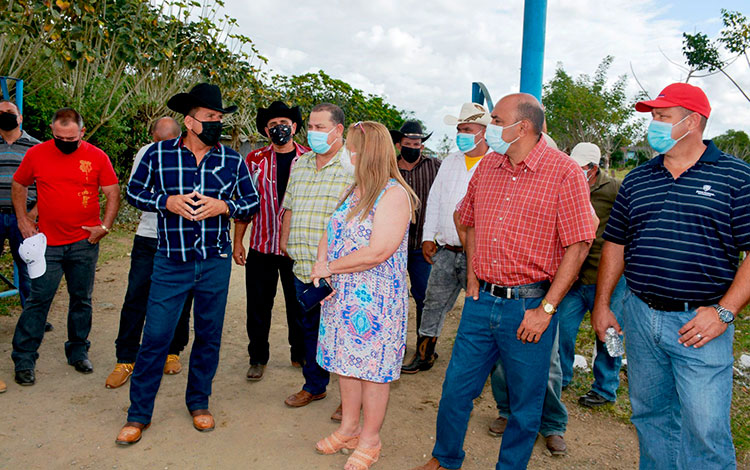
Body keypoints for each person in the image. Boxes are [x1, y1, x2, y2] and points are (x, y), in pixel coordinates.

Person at [412, 93, 595, 470]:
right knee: (456, 390)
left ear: (522, 127)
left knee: (526, 406)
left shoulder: (564, 172)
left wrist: (546, 309)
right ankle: (444, 458)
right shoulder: (489, 167)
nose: (490, 128)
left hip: (529, 307)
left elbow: (579, 245)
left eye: (496, 120)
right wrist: (475, 271)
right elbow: (466, 219)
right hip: (482, 304)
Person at [592, 82, 750, 469]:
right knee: (651, 418)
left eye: (662, 117)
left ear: (692, 121)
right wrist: (603, 305)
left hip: (700, 322)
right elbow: (616, 244)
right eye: (652, 118)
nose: (653, 126)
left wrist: (724, 311)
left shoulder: (736, 177)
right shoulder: (638, 179)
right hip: (640, 316)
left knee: (705, 430)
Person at [116, 83, 259, 445]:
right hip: (170, 260)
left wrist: (224, 207)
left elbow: (252, 202)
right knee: (156, 337)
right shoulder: (158, 154)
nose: (216, 123)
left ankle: (199, 403)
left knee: (208, 336)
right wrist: (167, 201)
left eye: (218, 118)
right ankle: (138, 414)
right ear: (190, 120)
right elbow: (133, 192)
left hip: (215, 261)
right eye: (210, 117)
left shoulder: (231, 159)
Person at [311, 120, 418, 470]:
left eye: (350, 146)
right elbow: (333, 228)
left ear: (364, 152)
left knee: (372, 371)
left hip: (376, 301)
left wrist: (331, 268)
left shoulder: (394, 195)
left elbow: (379, 251)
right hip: (342, 295)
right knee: (346, 366)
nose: (345, 153)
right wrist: (320, 263)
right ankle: (349, 429)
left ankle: (371, 439)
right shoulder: (353, 189)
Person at [11, 107, 120, 386]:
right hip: (48, 243)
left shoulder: (97, 157)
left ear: (82, 132)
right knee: (38, 299)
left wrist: (104, 227)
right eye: (60, 137)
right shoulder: (37, 154)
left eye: (71, 139)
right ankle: (24, 357)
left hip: (84, 242)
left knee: (81, 298)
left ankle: (78, 350)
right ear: (52, 131)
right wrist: (23, 218)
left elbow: (112, 192)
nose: (65, 143)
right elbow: (19, 183)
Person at [105, 117, 194, 389]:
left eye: (168, 140)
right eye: (157, 140)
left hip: (182, 238)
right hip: (149, 236)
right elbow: (135, 192)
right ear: (151, 137)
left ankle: (172, 351)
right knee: (136, 296)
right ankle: (126, 358)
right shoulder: (146, 153)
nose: (161, 146)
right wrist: (166, 201)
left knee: (181, 298)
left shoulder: (193, 153)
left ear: (180, 136)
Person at [402, 103, 491, 374]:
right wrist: (429, 237)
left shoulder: (495, 163)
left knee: (480, 309)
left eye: (467, 129)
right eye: (459, 129)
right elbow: (436, 199)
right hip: (446, 249)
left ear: (484, 132)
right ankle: (425, 354)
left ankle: (478, 364)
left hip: (478, 253)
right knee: (433, 303)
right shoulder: (451, 161)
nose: (461, 134)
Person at [279, 102, 353, 410]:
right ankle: (315, 385)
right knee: (309, 329)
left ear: (338, 130)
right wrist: (285, 239)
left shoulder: (353, 165)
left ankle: (351, 400)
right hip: (304, 266)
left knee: (346, 334)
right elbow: (291, 206)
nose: (313, 132)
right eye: (310, 126)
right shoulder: (301, 163)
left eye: (320, 127)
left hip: (340, 269)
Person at [233, 100, 308, 381]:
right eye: (274, 125)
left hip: (297, 248)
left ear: (295, 127)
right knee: (258, 305)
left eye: (284, 124)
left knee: (298, 304)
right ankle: (257, 357)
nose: (280, 129)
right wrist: (238, 241)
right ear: (266, 130)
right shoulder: (254, 160)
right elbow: (245, 203)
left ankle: (299, 353)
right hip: (262, 246)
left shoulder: (310, 159)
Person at [556, 142, 627, 407]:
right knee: (562, 328)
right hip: (575, 276)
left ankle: (607, 387)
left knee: (611, 333)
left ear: (593, 169)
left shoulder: (615, 189)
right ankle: (561, 378)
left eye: (580, 169)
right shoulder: (567, 185)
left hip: (608, 278)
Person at [391, 121, 441, 372]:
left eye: (418, 145)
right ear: (399, 145)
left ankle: (426, 350)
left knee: (425, 298)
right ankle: (391, 346)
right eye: (409, 145)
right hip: (392, 245)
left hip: (424, 246)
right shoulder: (389, 168)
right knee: (394, 299)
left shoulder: (434, 167)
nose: (413, 149)